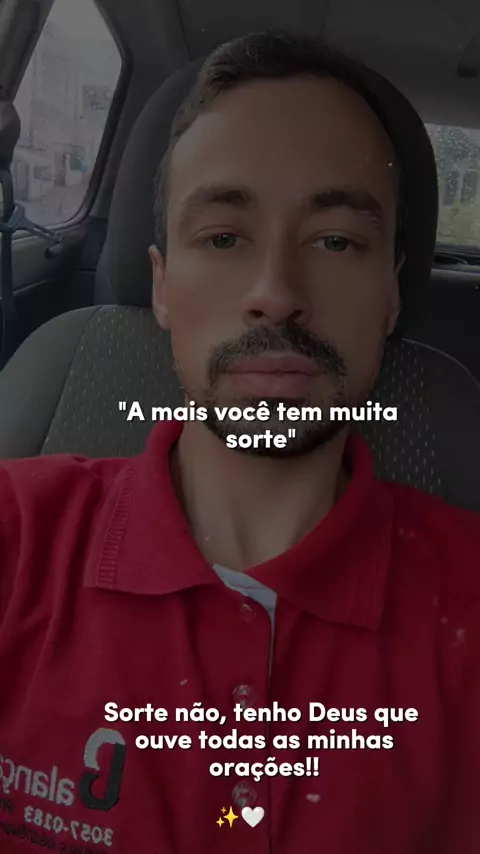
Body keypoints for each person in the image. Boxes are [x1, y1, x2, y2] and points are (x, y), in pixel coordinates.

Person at [0, 29, 479, 854]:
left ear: (392, 298)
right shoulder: (16, 540)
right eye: (224, 237)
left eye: (336, 241)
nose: (276, 293)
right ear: (162, 286)